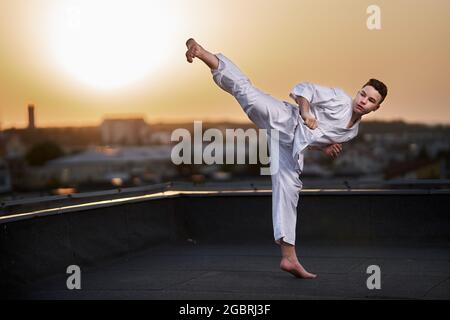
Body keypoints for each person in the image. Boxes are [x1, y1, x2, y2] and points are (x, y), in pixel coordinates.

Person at [185, 38, 388, 279]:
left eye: (371, 100)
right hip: (286, 118)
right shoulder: (339, 99)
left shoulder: (352, 131)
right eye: (363, 94)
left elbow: (313, 139)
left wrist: (323, 149)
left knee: (288, 190)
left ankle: (289, 258)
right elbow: (305, 89)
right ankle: (202, 53)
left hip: (291, 146)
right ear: (358, 92)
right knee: (248, 93)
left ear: (376, 108)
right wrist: (304, 112)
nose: (363, 100)